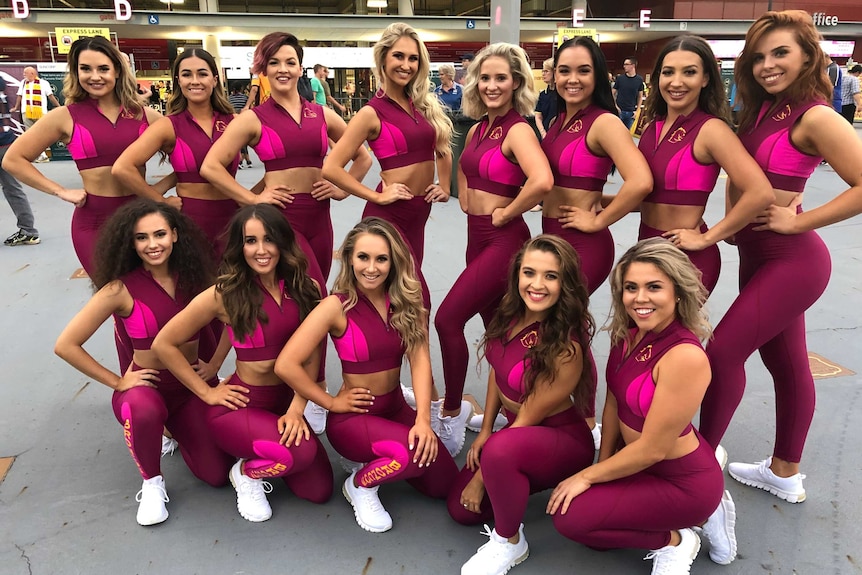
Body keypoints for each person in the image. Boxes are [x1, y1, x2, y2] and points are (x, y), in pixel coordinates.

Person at [699, 10, 862, 503]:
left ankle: (698, 464)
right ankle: (785, 470)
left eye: (781, 53)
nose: (768, 65)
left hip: (793, 259)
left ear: (809, 56)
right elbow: (741, 173)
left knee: (724, 352)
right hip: (758, 255)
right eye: (759, 57)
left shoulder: (816, 116)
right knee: (786, 362)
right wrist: (731, 224)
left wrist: (799, 221)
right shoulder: (763, 111)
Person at [201, 32, 371, 433]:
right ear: (262, 68)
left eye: (290, 61)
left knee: (309, 301)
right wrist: (251, 199)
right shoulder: (252, 118)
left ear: (301, 67)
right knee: (318, 301)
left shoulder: (321, 113)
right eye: (274, 62)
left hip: (321, 220)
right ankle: (315, 392)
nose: (283, 69)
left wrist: (342, 187)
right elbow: (211, 166)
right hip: (284, 224)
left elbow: (362, 155)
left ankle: (302, 387)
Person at [549, 238, 733, 574]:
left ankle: (678, 540)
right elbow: (613, 403)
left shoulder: (685, 357)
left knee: (569, 518)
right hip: (636, 464)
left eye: (654, 287)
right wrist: (602, 467)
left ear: (677, 292)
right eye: (631, 287)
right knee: (594, 537)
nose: (640, 298)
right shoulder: (628, 334)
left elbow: (652, 450)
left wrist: (586, 476)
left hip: (682, 481)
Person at [54, 199, 233, 526]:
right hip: (146, 389)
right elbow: (66, 345)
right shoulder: (118, 289)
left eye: (160, 234)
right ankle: (152, 482)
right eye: (142, 237)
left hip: (191, 387)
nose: (153, 244)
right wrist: (118, 381)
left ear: (175, 235)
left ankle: (175, 430)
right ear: (130, 242)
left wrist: (215, 364)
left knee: (217, 475)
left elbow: (234, 319)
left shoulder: (197, 278)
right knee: (143, 410)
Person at [275, 217, 458, 533]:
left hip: (396, 408)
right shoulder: (335, 306)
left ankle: (384, 451)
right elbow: (286, 364)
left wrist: (423, 420)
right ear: (349, 258)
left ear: (393, 262)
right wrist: (330, 403)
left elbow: (420, 362)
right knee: (410, 456)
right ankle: (360, 484)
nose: (371, 267)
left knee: (443, 484)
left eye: (381, 259)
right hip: (353, 418)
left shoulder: (405, 301)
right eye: (363, 257)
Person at [153, 204, 333, 523]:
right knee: (300, 453)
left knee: (318, 491)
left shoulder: (308, 289)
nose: (260, 250)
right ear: (240, 246)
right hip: (241, 405)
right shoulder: (224, 293)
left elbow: (313, 354)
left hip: (285, 405)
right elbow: (163, 344)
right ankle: (247, 473)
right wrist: (207, 392)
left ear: (284, 242)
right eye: (251, 241)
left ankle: (263, 448)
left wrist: (296, 408)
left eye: (269, 239)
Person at [3, 36, 167, 373]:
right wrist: (60, 191)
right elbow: (14, 159)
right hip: (94, 224)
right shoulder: (65, 116)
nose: (95, 76)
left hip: (142, 223)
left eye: (103, 68)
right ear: (75, 73)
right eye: (85, 69)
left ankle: (163, 374)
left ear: (118, 72)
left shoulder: (145, 116)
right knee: (122, 302)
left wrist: (161, 193)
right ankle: (135, 382)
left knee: (154, 299)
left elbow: (188, 157)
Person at [449, 235, 597, 575]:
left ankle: (510, 541)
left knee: (498, 456)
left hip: (560, 440)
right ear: (517, 275)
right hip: (516, 437)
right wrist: (485, 429)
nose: (537, 284)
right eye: (529, 273)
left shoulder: (566, 345)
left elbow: (528, 417)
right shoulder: (510, 314)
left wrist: (483, 474)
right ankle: (518, 478)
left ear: (566, 283)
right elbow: (497, 375)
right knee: (462, 512)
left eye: (551, 276)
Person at [433, 42, 553, 457]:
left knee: (448, 321)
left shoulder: (518, 127)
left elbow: (541, 180)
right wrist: (466, 201)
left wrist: (507, 212)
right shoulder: (481, 127)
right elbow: (464, 169)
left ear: (517, 82)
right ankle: (516, 408)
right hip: (475, 235)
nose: (491, 85)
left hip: (503, 239)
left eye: (501, 77)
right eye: (485, 77)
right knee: (500, 333)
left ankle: (450, 415)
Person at [542, 37, 653, 444]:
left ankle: (587, 419)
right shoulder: (558, 120)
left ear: (598, 76)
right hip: (553, 237)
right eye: (565, 70)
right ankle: (569, 408)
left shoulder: (603, 122)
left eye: (583, 70)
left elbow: (640, 181)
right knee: (562, 326)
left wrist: (598, 219)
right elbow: (573, 183)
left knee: (569, 328)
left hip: (583, 245)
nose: (572, 79)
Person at [323, 22, 453, 313]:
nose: (406, 65)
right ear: (383, 59)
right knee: (413, 299)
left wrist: (444, 186)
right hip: (389, 216)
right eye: (398, 56)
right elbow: (331, 168)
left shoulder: (423, 105)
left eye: (413, 58)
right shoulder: (371, 112)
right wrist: (376, 196)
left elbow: (442, 148)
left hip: (418, 214)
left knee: (400, 299)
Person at [635, 35, 773, 295]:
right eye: (668, 72)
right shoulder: (651, 128)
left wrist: (708, 238)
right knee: (639, 334)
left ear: (706, 79)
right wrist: (596, 204)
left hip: (687, 259)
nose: (676, 82)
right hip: (647, 252)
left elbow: (760, 192)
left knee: (669, 335)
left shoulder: (711, 130)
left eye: (689, 72)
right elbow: (646, 196)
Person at [114, 48, 240, 263]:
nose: (195, 81)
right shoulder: (169, 125)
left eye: (202, 73)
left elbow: (280, 161)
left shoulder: (234, 122)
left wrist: (252, 199)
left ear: (215, 79)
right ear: (178, 81)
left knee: (234, 288)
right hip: (190, 222)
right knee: (195, 290)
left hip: (232, 219)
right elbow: (122, 168)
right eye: (186, 74)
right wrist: (161, 201)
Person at [1, 77, 40, 246]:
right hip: (6, 143)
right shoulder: (2, 87)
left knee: (12, 188)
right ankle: (28, 231)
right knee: (13, 188)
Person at [9, 66, 61, 163]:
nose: (23, 75)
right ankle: (38, 155)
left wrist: (59, 106)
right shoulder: (23, 83)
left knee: (41, 135)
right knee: (29, 135)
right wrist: (16, 107)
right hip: (26, 112)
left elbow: (50, 96)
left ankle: (42, 155)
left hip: (41, 113)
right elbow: (19, 96)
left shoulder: (44, 83)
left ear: (32, 74)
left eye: (25, 73)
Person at [612, 57, 645, 130]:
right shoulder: (620, 79)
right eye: (624, 64)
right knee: (616, 132)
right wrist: (615, 106)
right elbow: (612, 93)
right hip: (619, 111)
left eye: (626, 64)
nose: (624, 66)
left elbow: (640, 96)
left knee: (626, 134)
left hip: (631, 112)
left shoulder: (639, 80)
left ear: (633, 66)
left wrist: (637, 111)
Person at [227, 86, 253, 168]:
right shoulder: (245, 97)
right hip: (244, 120)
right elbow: (249, 108)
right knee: (243, 141)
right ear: (241, 89)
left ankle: (243, 161)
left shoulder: (229, 98)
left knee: (239, 141)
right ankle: (245, 161)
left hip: (233, 120)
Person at [534, 58, 557, 139]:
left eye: (546, 71)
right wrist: (543, 133)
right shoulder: (543, 94)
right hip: (545, 136)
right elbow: (538, 116)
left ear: (554, 72)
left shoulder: (562, 94)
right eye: (542, 71)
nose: (543, 74)